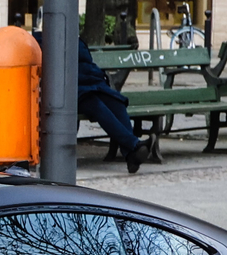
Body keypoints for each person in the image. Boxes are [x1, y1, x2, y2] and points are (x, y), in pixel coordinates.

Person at [34, 31, 150, 171]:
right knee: (96, 105)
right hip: (71, 91)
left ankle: (130, 155)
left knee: (116, 103)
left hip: (93, 85)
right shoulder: (41, 40)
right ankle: (134, 145)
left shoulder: (76, 40)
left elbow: (88, 65)